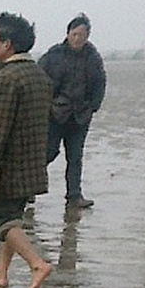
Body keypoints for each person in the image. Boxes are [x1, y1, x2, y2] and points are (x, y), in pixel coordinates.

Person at [0, 13, 54, 288]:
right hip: (33, 160)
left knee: (2, 220)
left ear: (7, 44)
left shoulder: (6, 78)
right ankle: (0, 273)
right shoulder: (39, 75)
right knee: (13, 217)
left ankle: (36, 264)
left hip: (10, 164)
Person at [38, 14, 106, 206]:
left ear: (88, 36)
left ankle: (74, 196)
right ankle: (28, 189)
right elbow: (40, 78)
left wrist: (94, 105)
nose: (77, 38)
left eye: (82, 35)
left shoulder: (93, 57)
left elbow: (100, 82)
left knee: (75, 157)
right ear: (67, 34)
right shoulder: (54, 54)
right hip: (55, 113)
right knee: (48, 152)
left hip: (80, 115)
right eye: (74, 34)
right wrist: (48, 104)